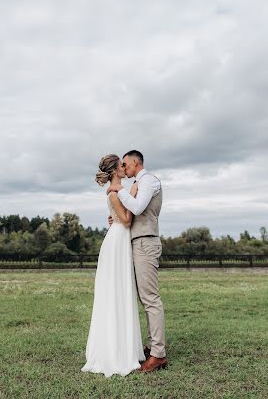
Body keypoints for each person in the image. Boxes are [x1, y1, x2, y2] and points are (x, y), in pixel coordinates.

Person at [81, 154, 145, 377]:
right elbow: (127, 220)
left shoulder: (115, 192)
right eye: (121, 165)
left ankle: (124, 345)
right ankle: (115, 350)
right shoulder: (115, 192)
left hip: (118, 238)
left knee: (121, 291)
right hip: (117, 240)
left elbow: (118, 217)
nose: (124, 167)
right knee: (116, 291)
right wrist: (133, 193)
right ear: (115, 171)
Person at [107, 150, 167, 373]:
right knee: (144, 298)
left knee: (150, 298)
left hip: (146, 243)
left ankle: (158, 354)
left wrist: (119, 190)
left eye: (125, 163)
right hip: (135, 243)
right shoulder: (136, 184)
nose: (124, 167)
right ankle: (152, 345)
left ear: (134, 162)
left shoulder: (149, 181)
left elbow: (139, 207)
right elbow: (131, 212)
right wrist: (116, 216)